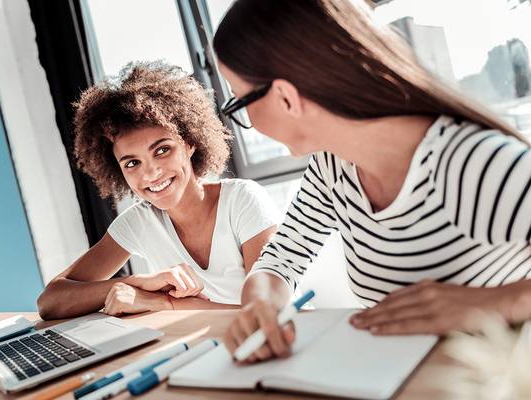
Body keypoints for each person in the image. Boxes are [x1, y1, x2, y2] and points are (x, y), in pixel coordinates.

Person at [213, 0, 531, 363]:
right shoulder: (331, 167)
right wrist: (262, 303)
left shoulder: (470, 162)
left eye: (240, 103)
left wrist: (487, 304)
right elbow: (282, 257)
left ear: (286, 97)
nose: (244, 123)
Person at [36, 61, 278, 320]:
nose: (150, 174)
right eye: (132, 163)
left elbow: (266, 313)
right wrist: (135, 283)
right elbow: (50, 302)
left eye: (162, 150)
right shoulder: (139, 221)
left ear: (190, 143)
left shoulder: (243, 200)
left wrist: (164, 303)